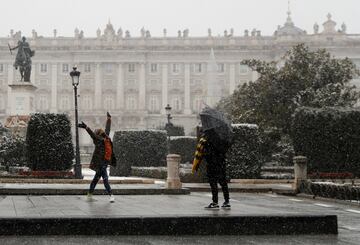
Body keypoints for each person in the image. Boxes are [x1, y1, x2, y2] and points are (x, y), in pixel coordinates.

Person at [78, 112, 117, 203]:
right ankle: (111, 195)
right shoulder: (99, 140)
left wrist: (109, 119)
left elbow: (107, 129)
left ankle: (89, 195)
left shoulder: (106, 138)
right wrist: (87, 128)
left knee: (95, 180)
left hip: (104, 162)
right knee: (105, 179)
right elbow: (93, 135)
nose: (103, 132)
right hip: (101, 163)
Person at [192, 128, 231, 209]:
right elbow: (224, 150)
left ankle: (215, 202)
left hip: (212, 165)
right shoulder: (222, 138)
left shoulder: (207, 139)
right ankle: (227, 201)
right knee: (223, 182)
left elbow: (205, 153)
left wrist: (205, 154)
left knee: (213, 183)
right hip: (221, 164)